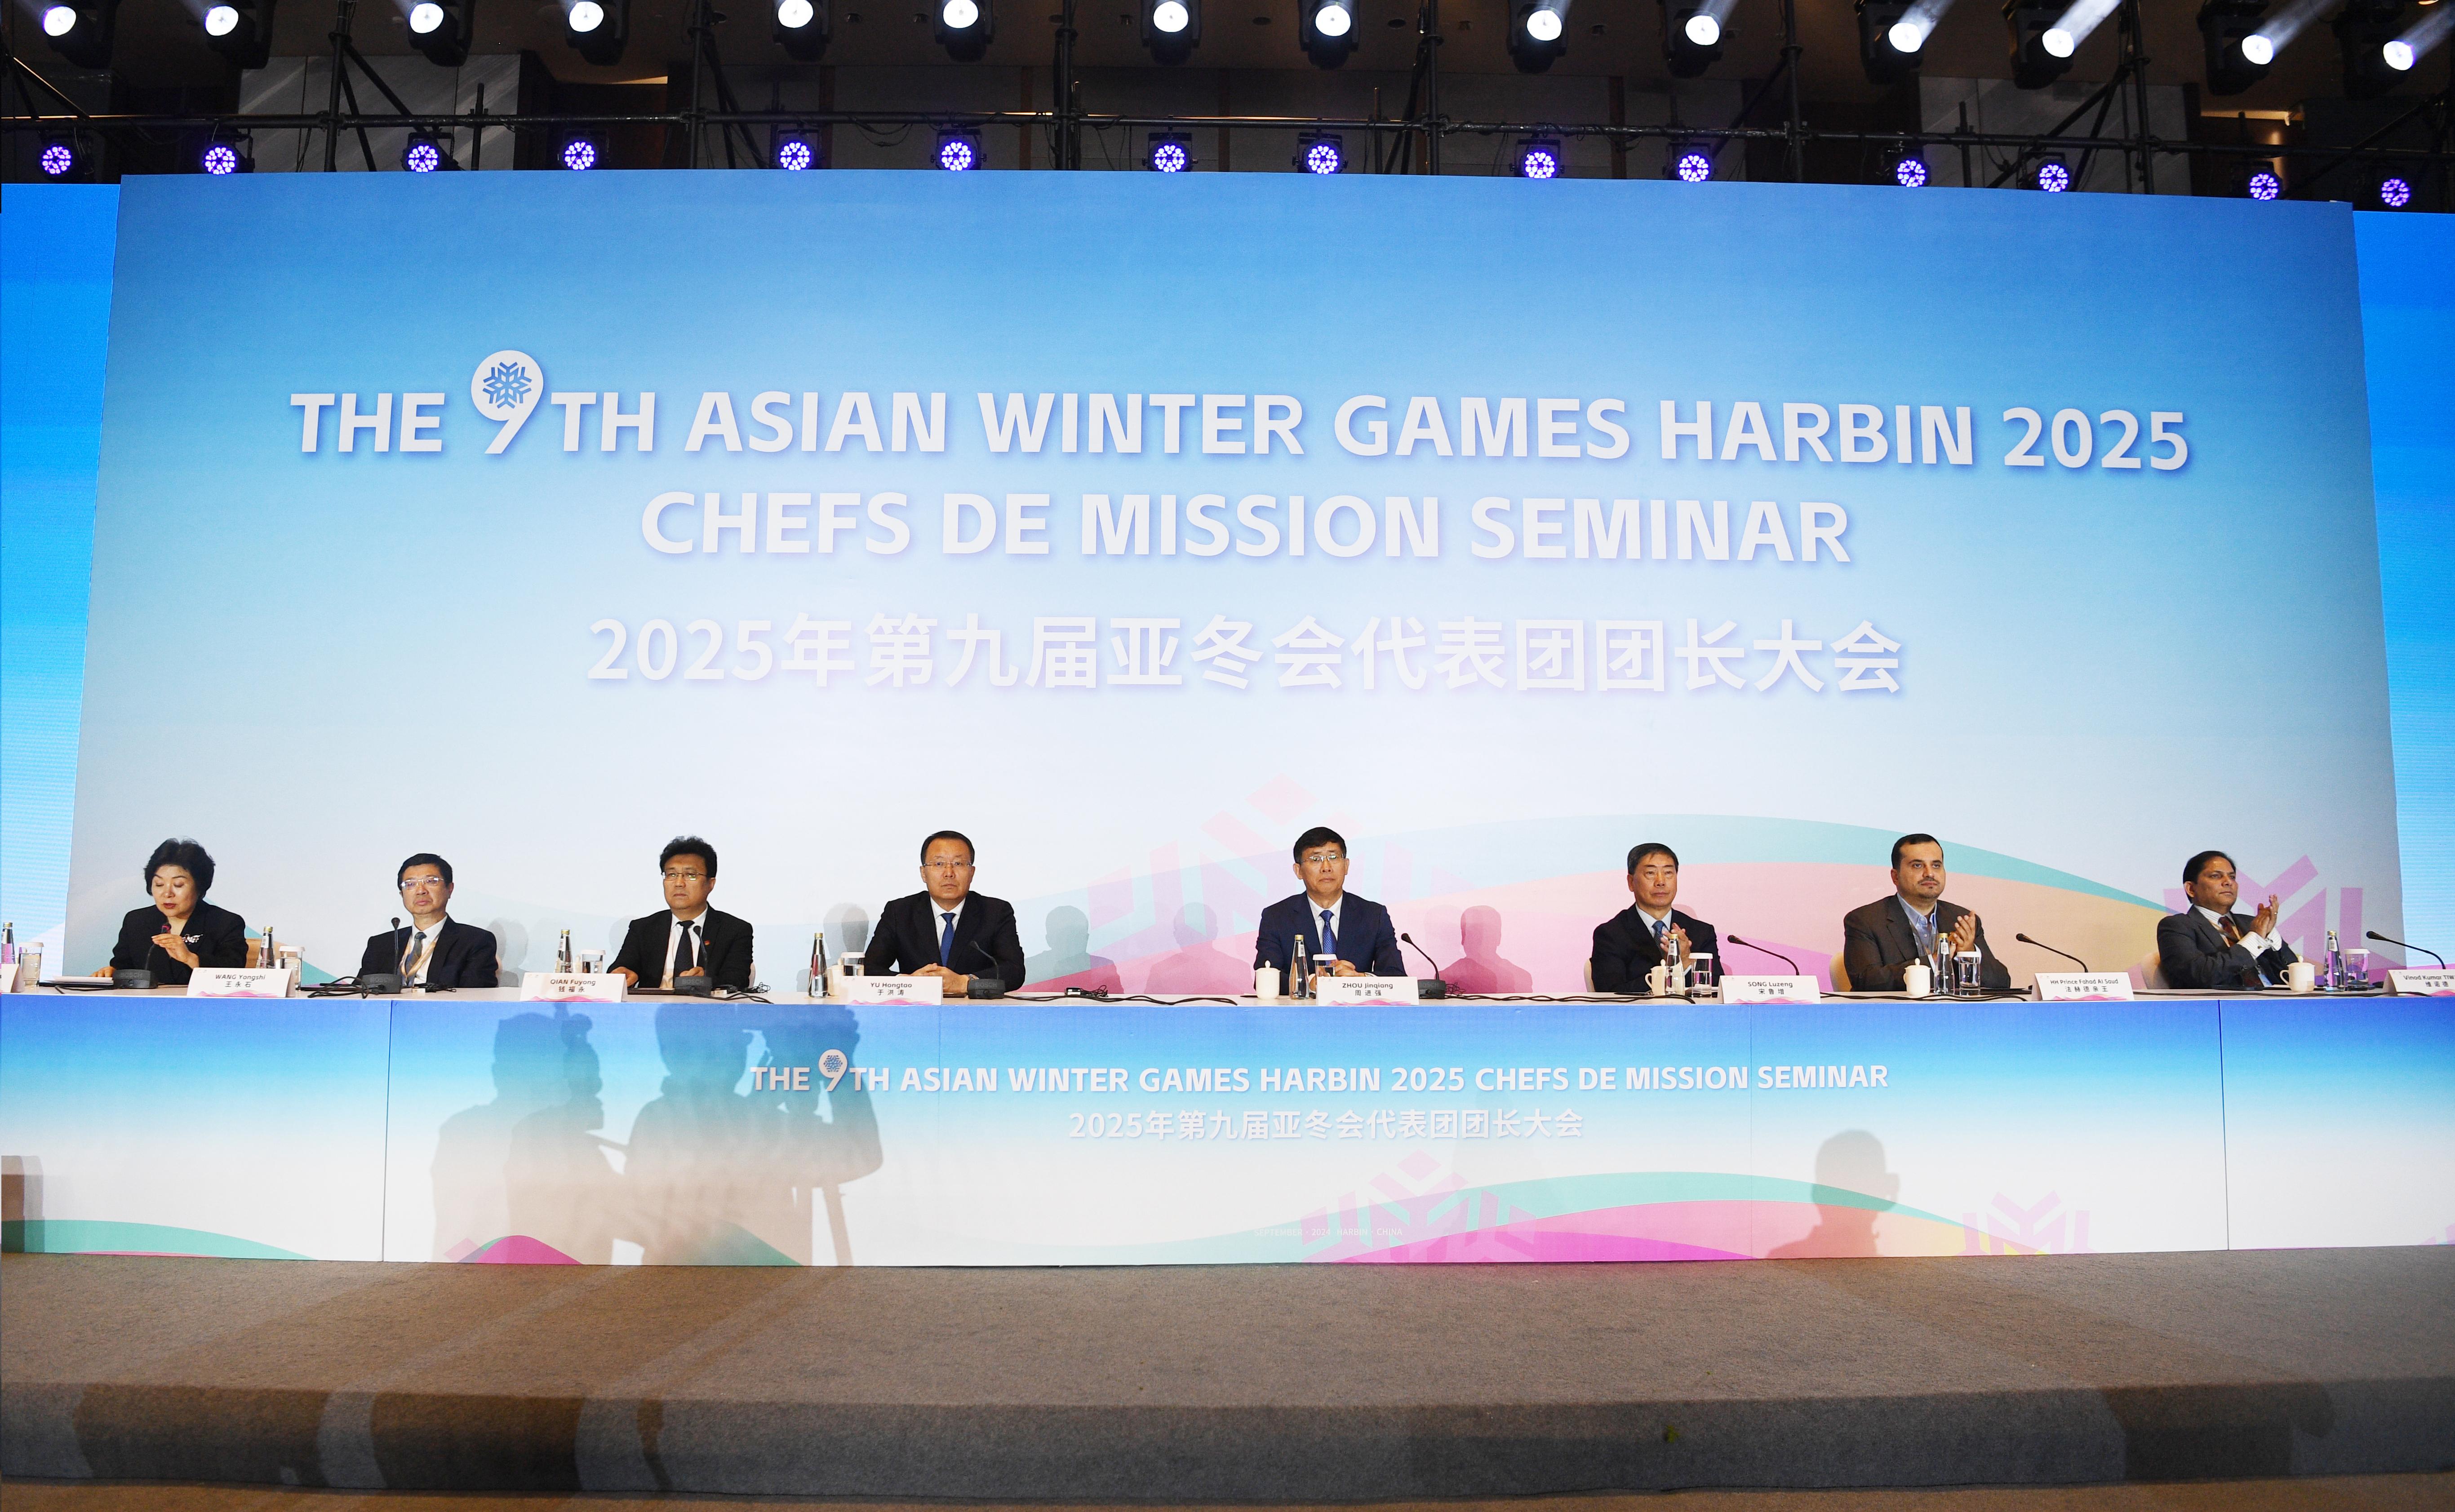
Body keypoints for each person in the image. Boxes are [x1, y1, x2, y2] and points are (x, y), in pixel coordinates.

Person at [1840, 833, 2010, 992]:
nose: (1929, 873)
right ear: (1896, 877)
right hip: (1895, 1013)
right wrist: (1935, 962)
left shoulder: (1962, 920)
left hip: (1953, 1012)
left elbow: (2001, 983)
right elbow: (1866, 981)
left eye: (1936, 865)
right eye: (1918, 865)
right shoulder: (1865, 920)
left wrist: (1969, 953)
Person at [862, 830, 1028, 993]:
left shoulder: (996, 912)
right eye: (939, 864)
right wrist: (909, 983)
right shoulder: (899, 912)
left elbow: (1014, 970)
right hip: (918, 1007)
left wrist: (965, 982)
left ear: (971, 873)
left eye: (958, 864)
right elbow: (868, 968)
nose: (949, 873)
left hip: (975, 1008)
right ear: (923, 873)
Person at [1255, 825, 1405, 991]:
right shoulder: (1277, 917)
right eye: (1316, 859)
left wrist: (1361, 979)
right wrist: (1309, 983)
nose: (1326, 867)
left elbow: (1397, 976)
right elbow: (1265, 976)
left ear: (1346, 866)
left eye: (1333, 857)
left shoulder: (1374, 915)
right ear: (1299, 871)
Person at [609, 836, 754, 991]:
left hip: (705, 1005)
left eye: (691, 875)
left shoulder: (734, 930)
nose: (679, 883)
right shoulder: (643, 928)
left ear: (710, 884)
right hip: (653, 1005)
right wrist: (622, 974)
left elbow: (737, 979)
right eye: (672, 875)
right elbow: (622, 968)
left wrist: (706, 981)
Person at [109, 838, 248, 985]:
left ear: (200, 887)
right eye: (159, 884)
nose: (167, 893)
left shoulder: (225, 923)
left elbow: (233, 973)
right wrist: (112, 972)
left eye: (178, 885)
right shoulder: (136, 921)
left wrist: (191, 959)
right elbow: (122, 966)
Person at [2156, 850, 2300, 989]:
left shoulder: (2253, 924)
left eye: (2232, 877)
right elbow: (2200, 976)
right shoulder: (2176, 926)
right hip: (2227, 1004)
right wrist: (2255, 940)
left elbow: (2297, 979)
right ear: (2191, 889)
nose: (2228, 882)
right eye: (2216, 876)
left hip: (2279, 1001)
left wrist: (2270, 936)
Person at [1591, 842, 1721, 994]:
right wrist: (1670, 969)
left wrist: (1687, 962)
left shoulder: (1701, 932)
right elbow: (1610, 993)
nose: (1661, 882)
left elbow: (1719, 991)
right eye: (1651, 873)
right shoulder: (1611, 934)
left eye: (1668, 873)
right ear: (1631, 882)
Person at [358, 852, 499, 988]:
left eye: (431, 881)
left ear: (450, 889)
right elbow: (359, 992)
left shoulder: (475, 941)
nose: (421, 891)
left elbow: (475, 996)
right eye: (411, 884)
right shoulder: (381, 945)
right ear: (402, 894)